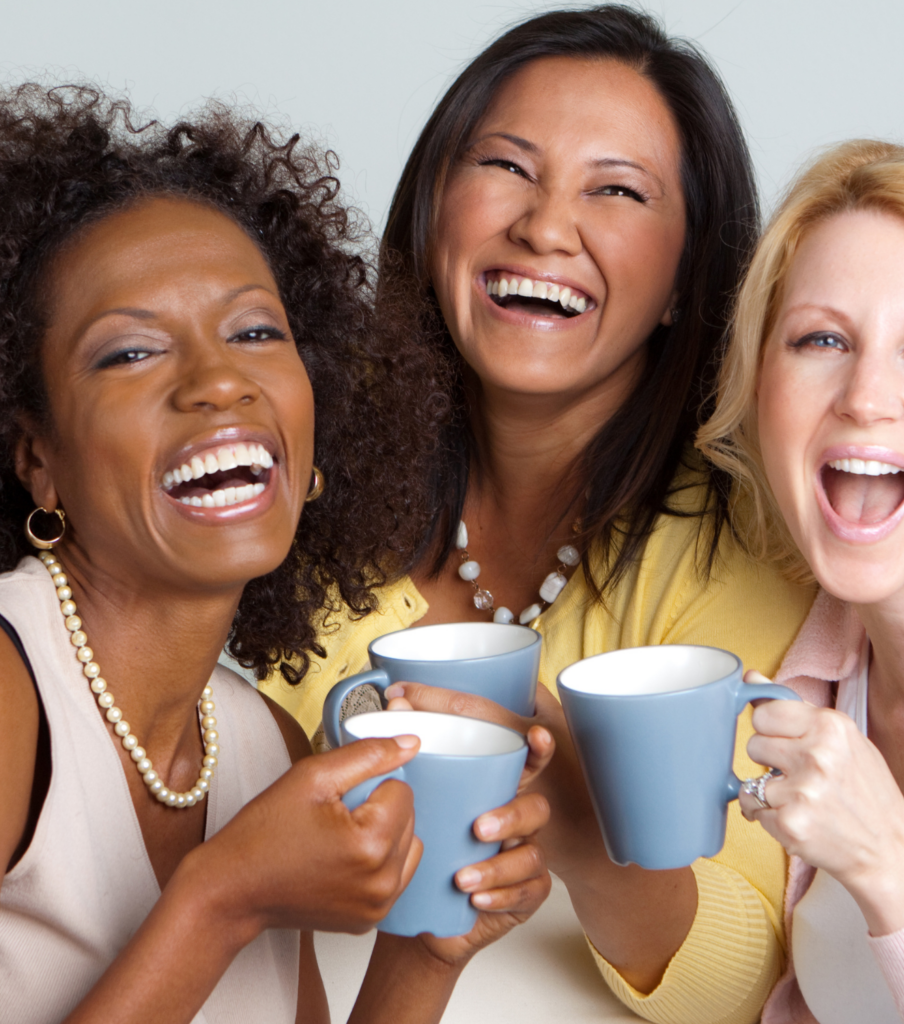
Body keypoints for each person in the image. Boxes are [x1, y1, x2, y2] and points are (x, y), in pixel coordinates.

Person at [261, 7, 815, 1019]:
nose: (545, 226)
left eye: (617, 190)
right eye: (508, 168)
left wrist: (578, 822)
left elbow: (749, 979)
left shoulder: (747, 548)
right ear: (433, 208)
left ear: (688, 278)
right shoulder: (300, 486)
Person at [0, 83, 552, 1024]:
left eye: (256, 332)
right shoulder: (13, 698)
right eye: (130, 353)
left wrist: (427, 950)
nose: (219, 380)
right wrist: (226, 897)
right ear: (38, 462)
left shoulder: (263, 743)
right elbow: (221, 903)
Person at [696, 139, 904, 1022]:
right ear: (763, 389)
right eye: (822, 339)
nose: (864, 395)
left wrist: (889, 860)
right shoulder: (820, 671)